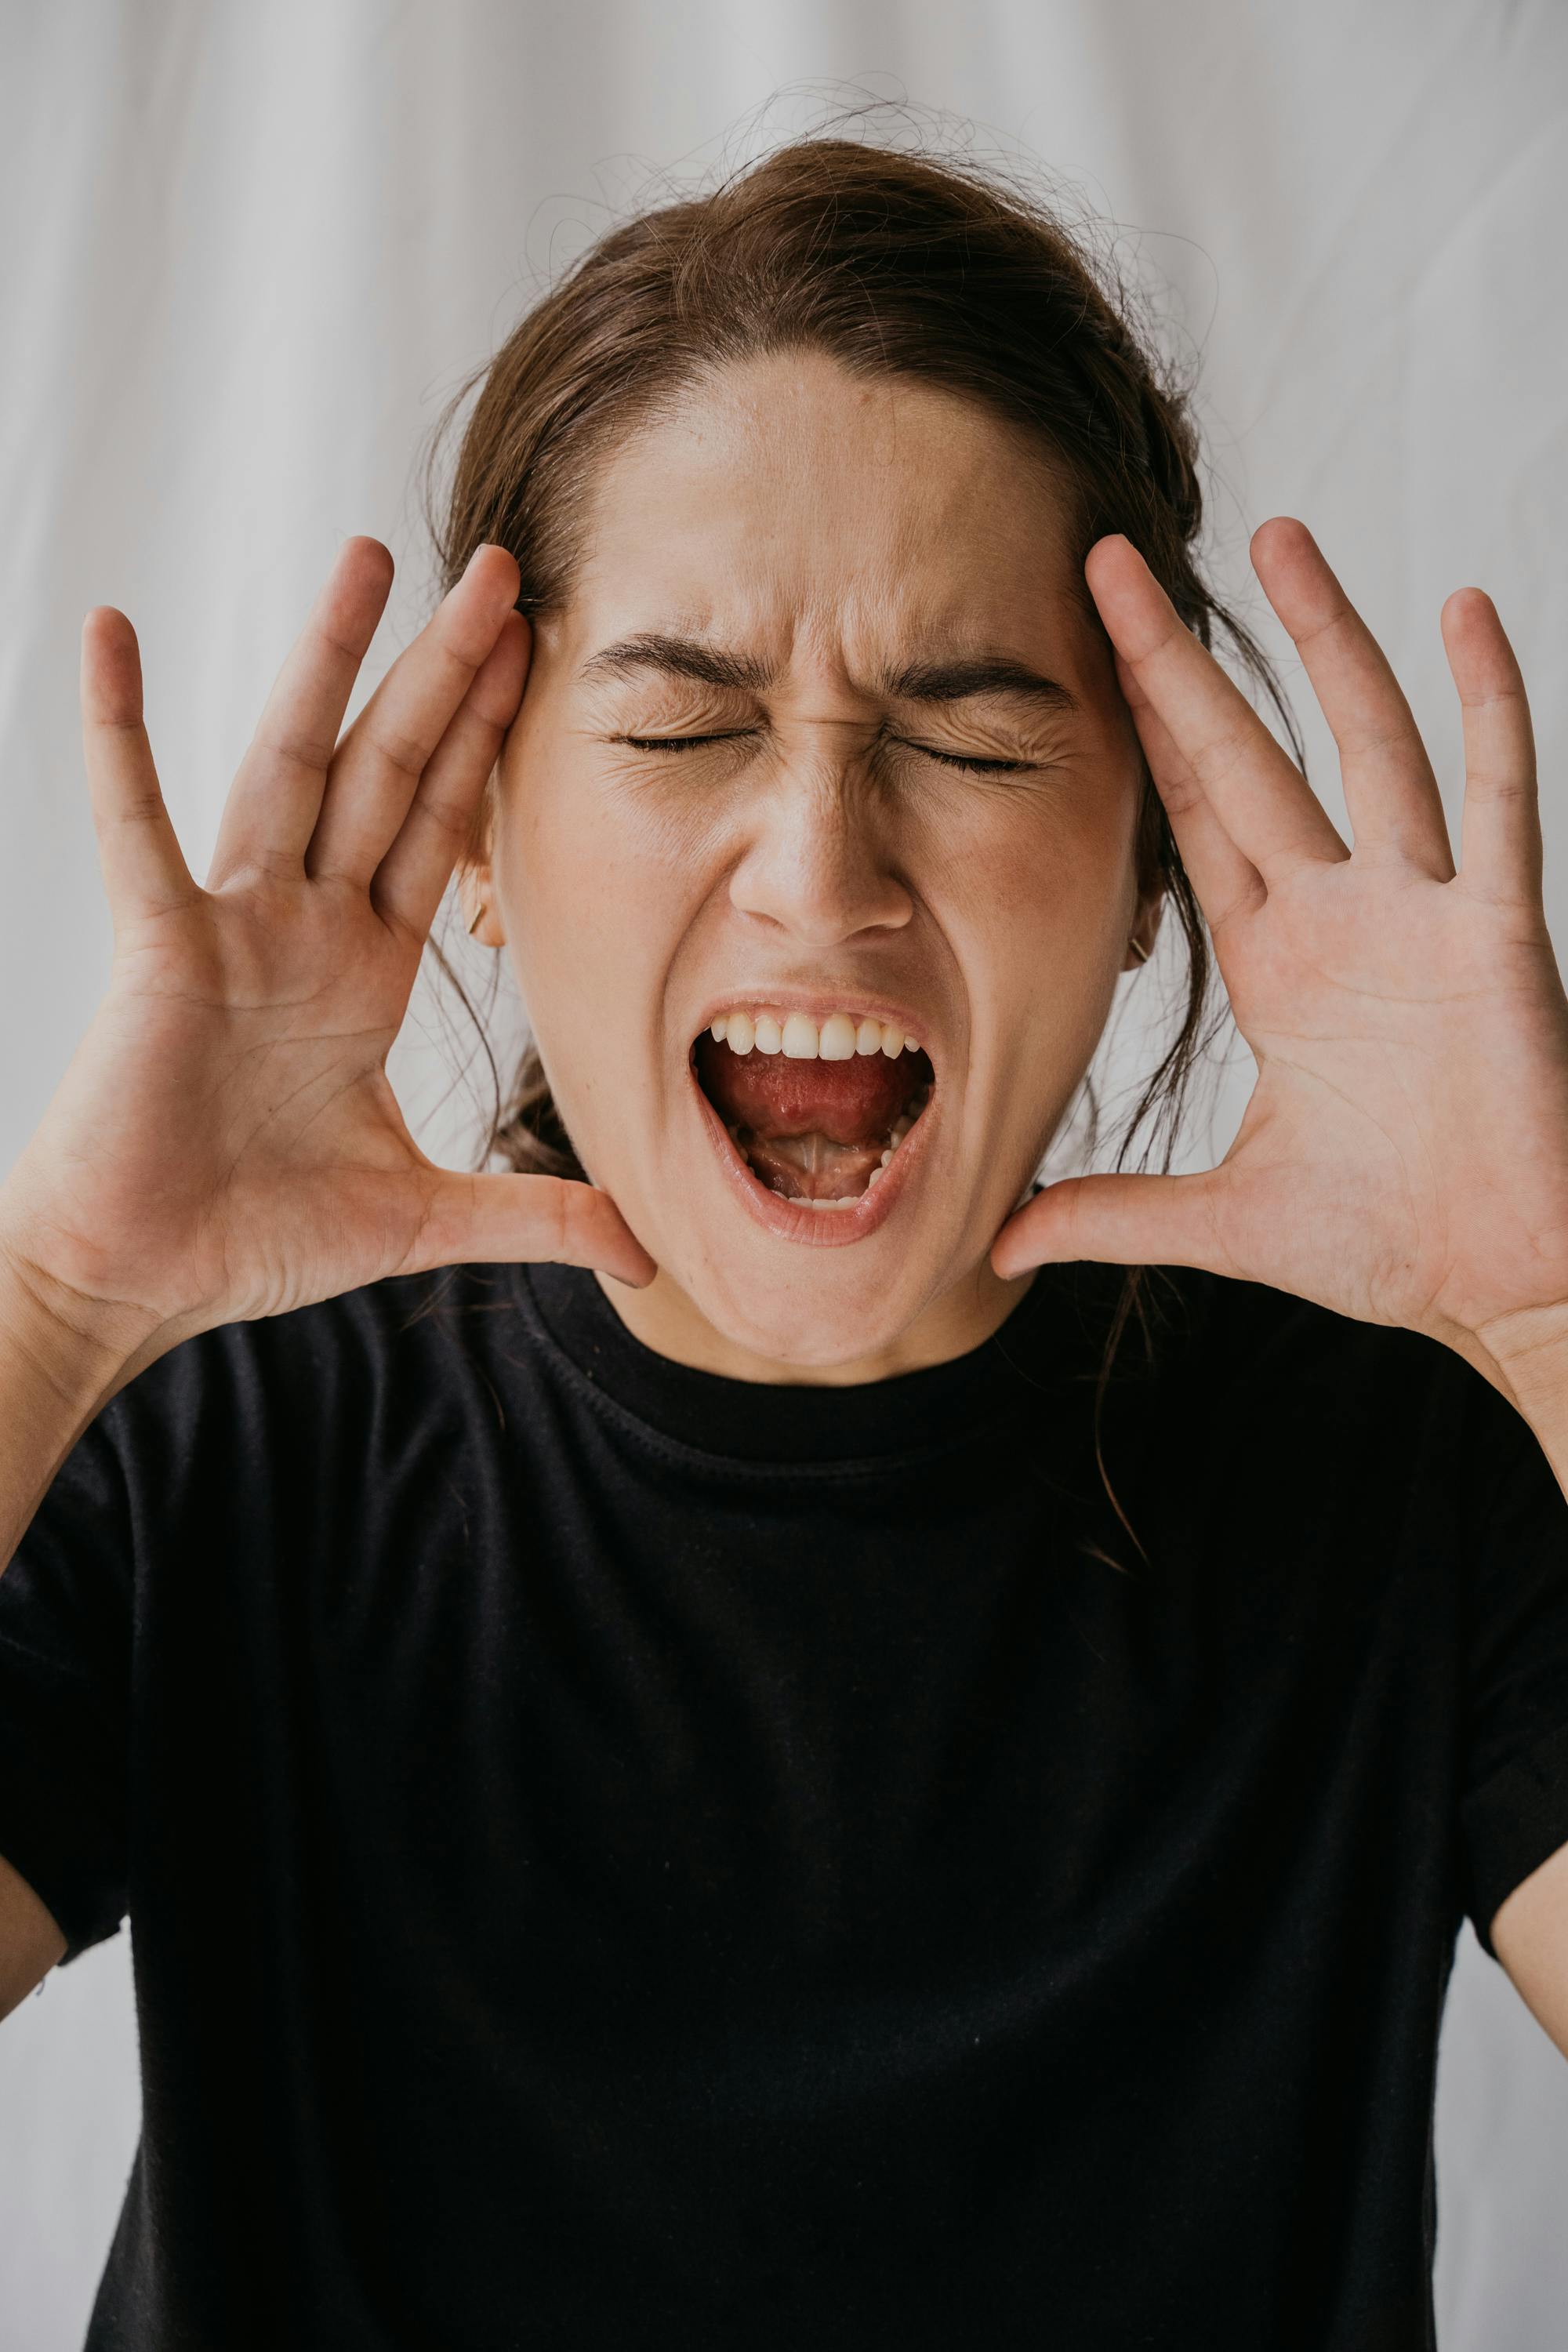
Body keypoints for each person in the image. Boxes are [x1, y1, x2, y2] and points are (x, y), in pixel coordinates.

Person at [1, 132, 1566, 2351]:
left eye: (974, 728)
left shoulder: (1401, 1474)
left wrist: (1557, 1309)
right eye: (681, 724)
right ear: (476, 839)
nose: (820, 871)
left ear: (1151, 870)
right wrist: (54, 1311)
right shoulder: (207, 1451)